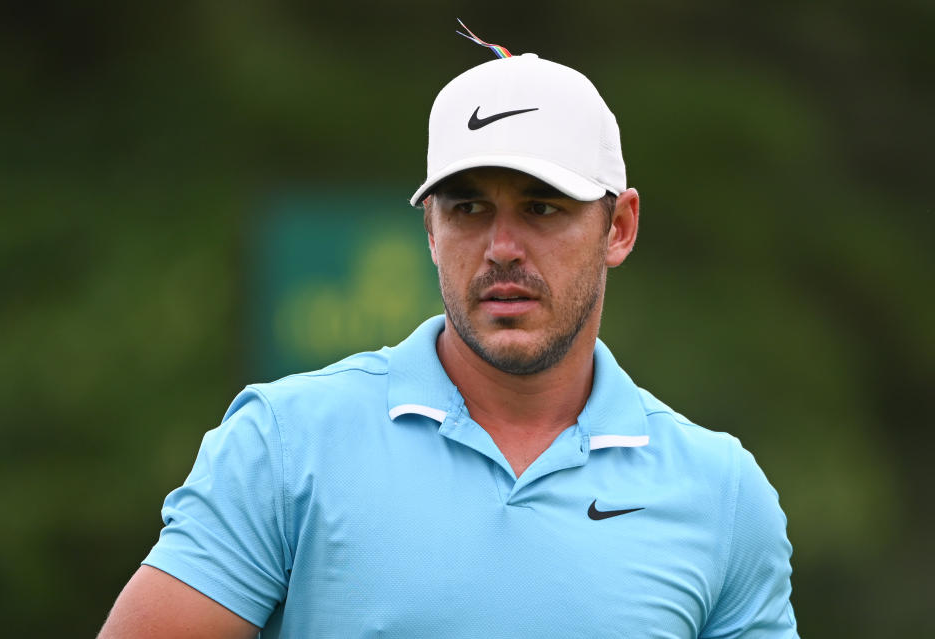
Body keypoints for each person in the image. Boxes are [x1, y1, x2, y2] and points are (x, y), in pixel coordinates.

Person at [99, 50, 799, 638]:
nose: (501, 248)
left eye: (542, 207)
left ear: (618, 226)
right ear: (431, 229)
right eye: (468, 207)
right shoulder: (285, 445)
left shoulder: (722, 494)